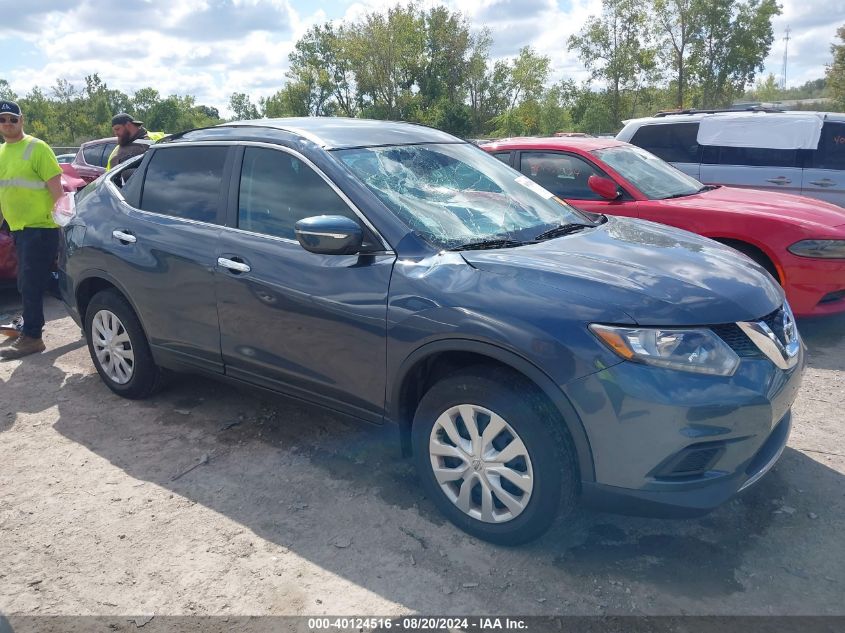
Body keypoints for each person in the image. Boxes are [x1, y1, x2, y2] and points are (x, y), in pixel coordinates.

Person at [0, 100, 64, 360]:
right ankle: (84, 307)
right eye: (2, 119)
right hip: (19, 229)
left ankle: (33, 337)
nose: (7, 124)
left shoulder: (37, 148)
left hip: (40, 228)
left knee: (29, 283)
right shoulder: (2, 152)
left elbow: (58, 192)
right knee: (42, 281)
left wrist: (63, 226)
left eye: (12, 119)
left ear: (22, 120)